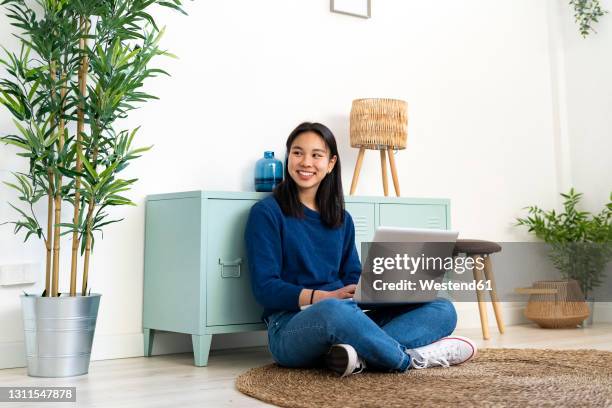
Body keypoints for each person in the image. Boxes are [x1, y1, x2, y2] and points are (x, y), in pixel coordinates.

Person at [244, 122, 477, 377]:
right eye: (298, 153)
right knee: (335, 311)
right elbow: (265, 289)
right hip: (289, 327)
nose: (306, 162)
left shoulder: (342, 219)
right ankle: (407, 360)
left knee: (442, 308)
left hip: (348, 317)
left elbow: (352, 277)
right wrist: (324, 297)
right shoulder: (267, 213)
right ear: (289, 157)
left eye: (316, 155)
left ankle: (353, 357)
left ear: (331, 163)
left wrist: (380, 289)